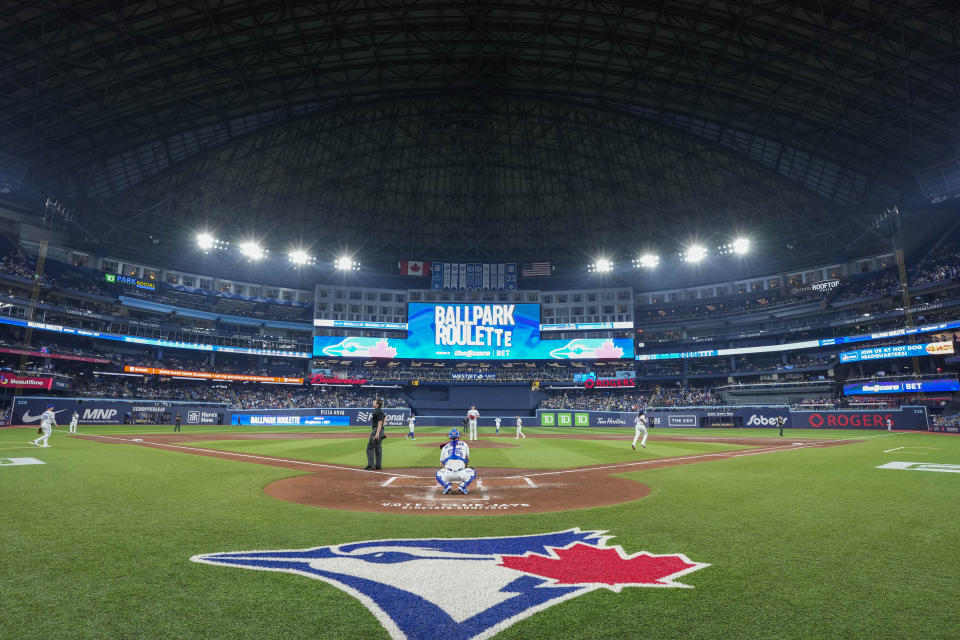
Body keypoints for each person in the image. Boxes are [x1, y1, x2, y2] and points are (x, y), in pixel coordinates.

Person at [435, 428, 476, 494]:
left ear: (449, 437)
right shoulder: (464, 444)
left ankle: (447, 485)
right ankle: (462, 486)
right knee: (473, 472)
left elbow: (441, 463)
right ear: (458, 437)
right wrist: (465, 464)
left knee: (438, 473)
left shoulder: (444, 447)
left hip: (448, 474)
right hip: (461, 474)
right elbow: (468, 458)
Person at [365, 399, 386, 470]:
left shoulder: (378, 411)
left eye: (374, 402)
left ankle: (370, 465)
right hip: (380, 431)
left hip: (377, 431)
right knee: (378, 447)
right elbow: (385, 417)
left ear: (377, 404)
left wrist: (377, 433)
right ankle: (378, 466)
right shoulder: (379, 411)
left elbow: (380, 422)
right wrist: (383, 427)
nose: (373, 402)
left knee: (370, 447)